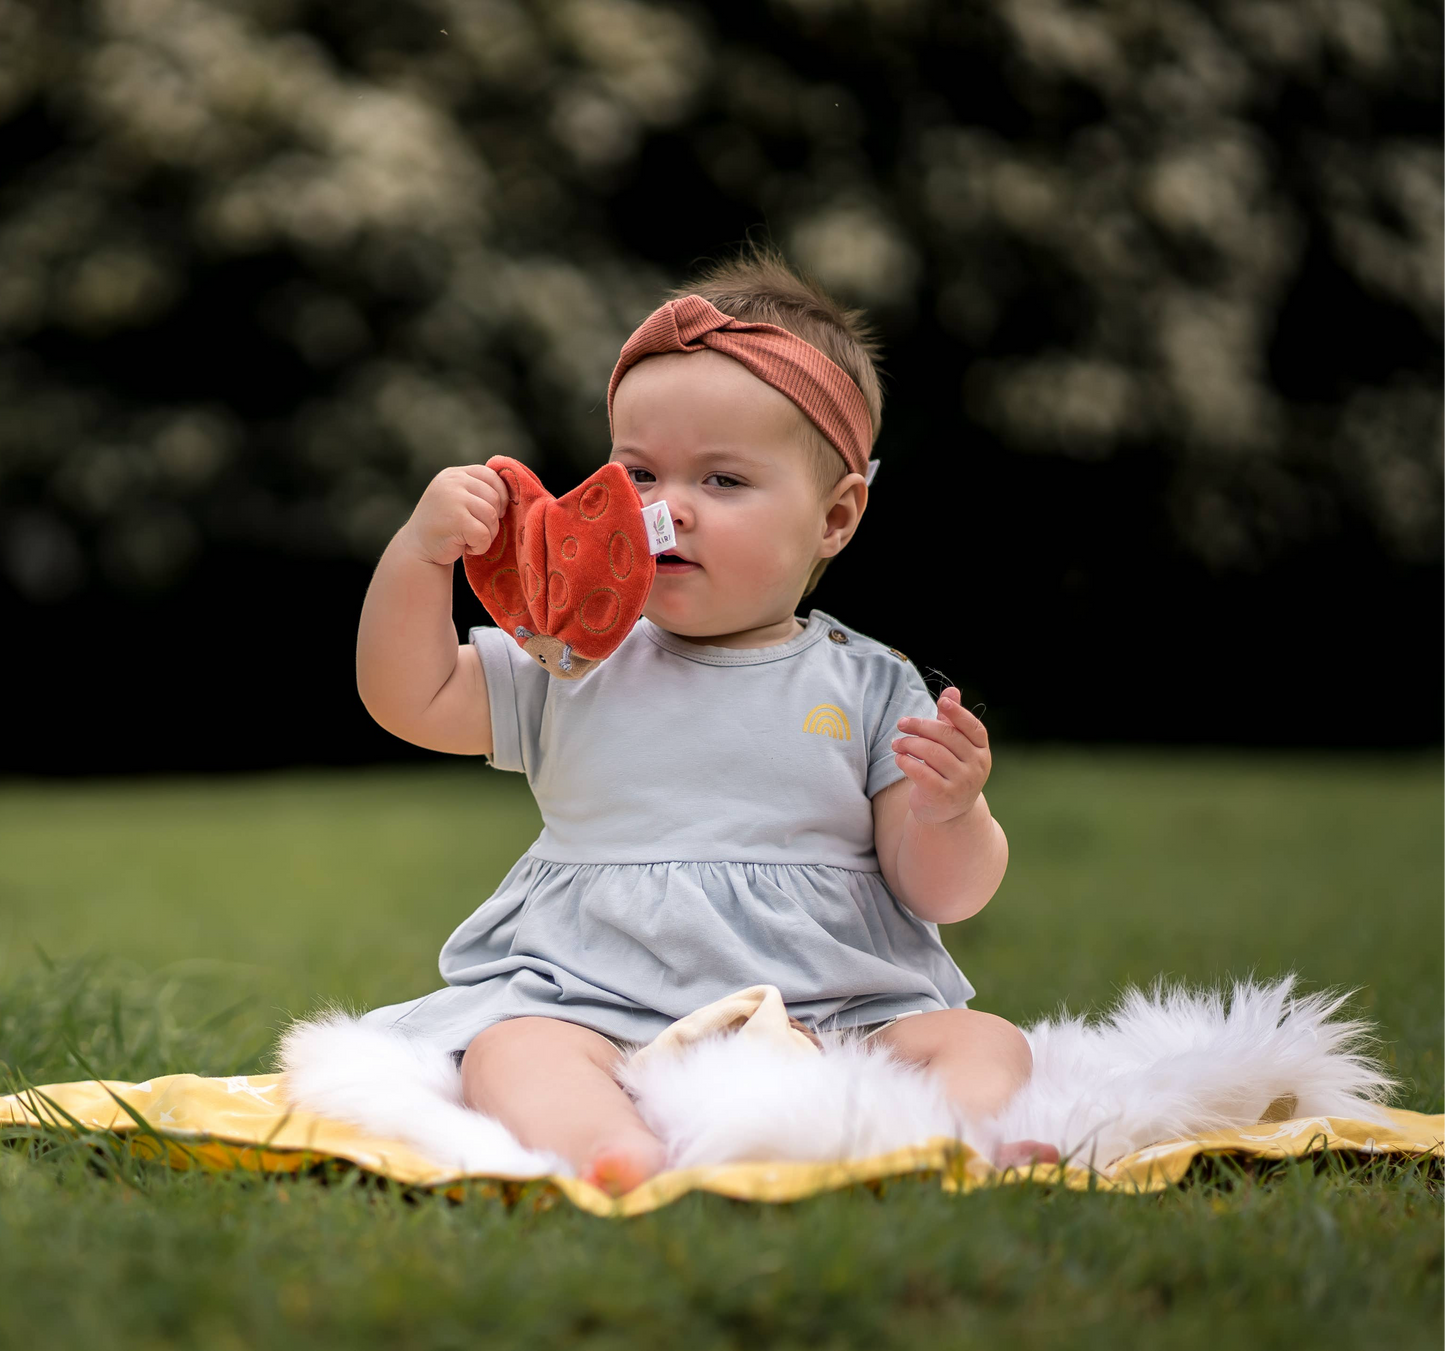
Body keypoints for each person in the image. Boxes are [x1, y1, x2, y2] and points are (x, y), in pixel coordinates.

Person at [353, 243, 1059, 1194]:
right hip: (599, 998)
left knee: (983, 1039)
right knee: (511, 1049)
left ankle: (953, 1139)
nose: (666, 510)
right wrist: (420, 553)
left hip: (829, 1009)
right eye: (638, 473)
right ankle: (610, 1148)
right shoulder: (573, 655)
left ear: (835, 517)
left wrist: (950, 813)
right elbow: (411, 696)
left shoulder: (870, 685)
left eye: (721, 481)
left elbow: (942, 893)